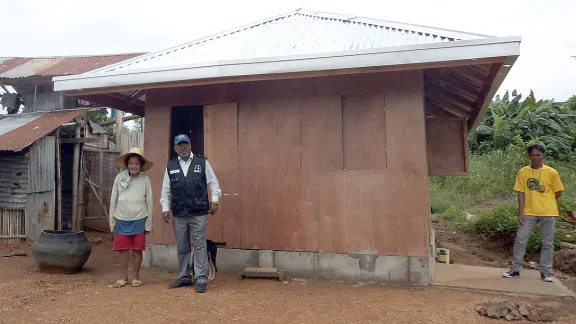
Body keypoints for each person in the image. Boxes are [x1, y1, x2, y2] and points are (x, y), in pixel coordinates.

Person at [160, 134, 221, 293]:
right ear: (175, 148)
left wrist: (215, 201)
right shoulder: (171, 165)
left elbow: (213, 183)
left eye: (185, 144)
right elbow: (166, 189)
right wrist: (165, 208)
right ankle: (184, 276)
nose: (183, 147)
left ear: (190, 145)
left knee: (200, 244)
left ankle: (201, 277)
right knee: (182, 246)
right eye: (180, 145)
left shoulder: (202, 162)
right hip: (179, 212)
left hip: (198, 212)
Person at [503, 144, 564, 282]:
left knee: (547, 242)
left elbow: (558, 192)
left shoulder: (552, 172)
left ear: (543, 155)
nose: (535, 158)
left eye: (538, 155)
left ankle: (545, 271)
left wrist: (545, 201)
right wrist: (521, 212)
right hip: (529, 212)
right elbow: (521, 193)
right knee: (520, 239)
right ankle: (515, 269)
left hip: (548, 212)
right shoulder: (523, 172)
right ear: (529, 156)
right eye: (533, 155)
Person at [109, 147, 154, 288]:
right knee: (122, 250)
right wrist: (112, 221)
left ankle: (136, 277)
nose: (133, 166)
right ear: (127, 164)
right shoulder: (119, 177)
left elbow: (150, 201)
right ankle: (123, 278)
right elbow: (113, 200)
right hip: (121, 218)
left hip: (140, 218)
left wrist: (149, 223)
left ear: (140, 165)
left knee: (137, 250)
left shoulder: (145, 179)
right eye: (131, 163)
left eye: (136, 163)